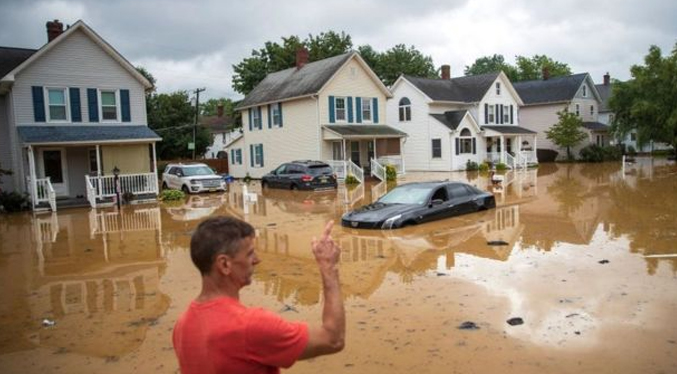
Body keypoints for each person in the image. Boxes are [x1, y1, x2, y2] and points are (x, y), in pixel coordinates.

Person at [173, 216, 345, 374]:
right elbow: (333, 339)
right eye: (249, 254)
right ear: (225, 264)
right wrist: (328, 267)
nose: (256, 260)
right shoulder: (250, 326)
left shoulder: (182, 326)